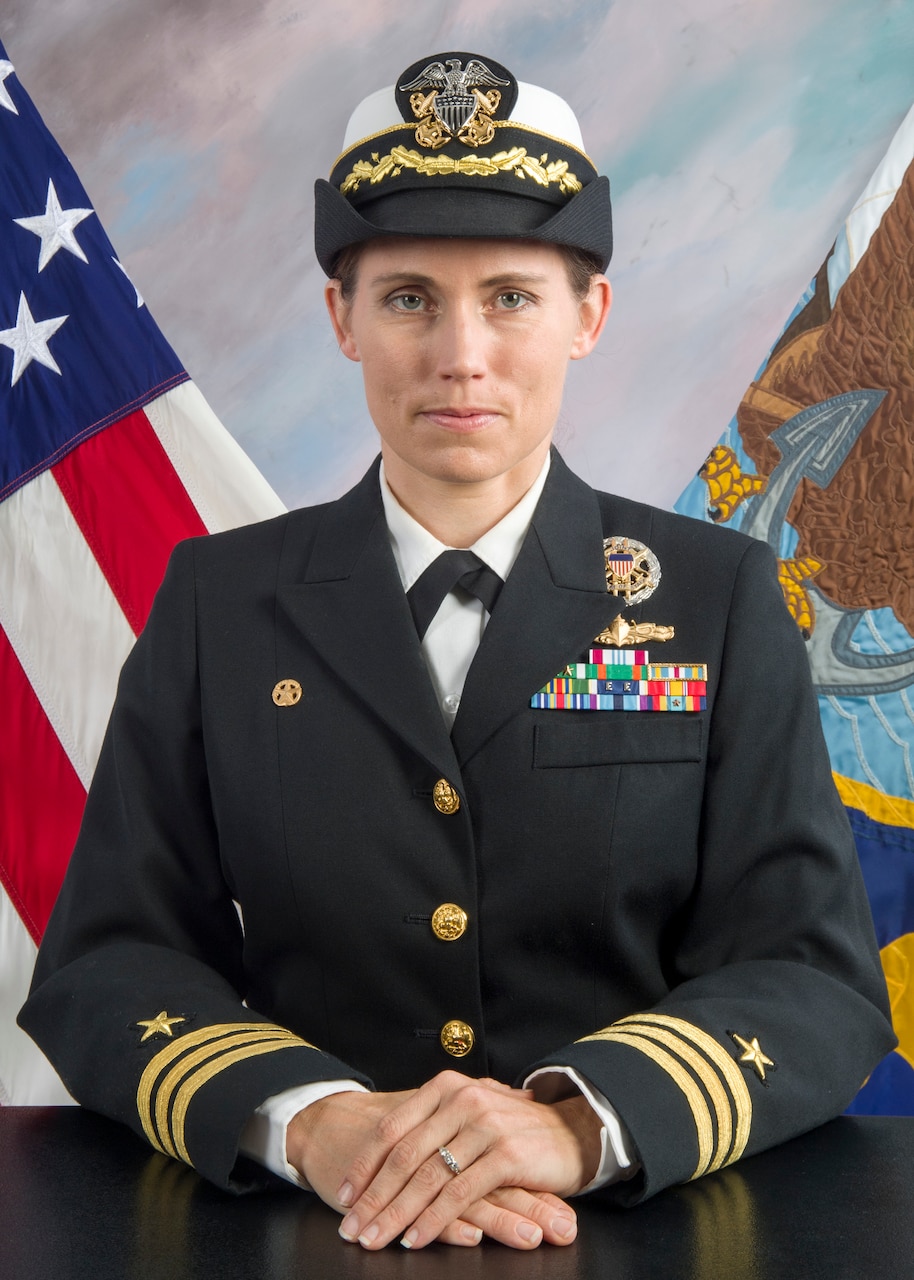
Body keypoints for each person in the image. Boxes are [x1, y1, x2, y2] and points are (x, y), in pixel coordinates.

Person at [20, 49, 895, 1253]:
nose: (460, 352)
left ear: (589, 313)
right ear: (342, 319)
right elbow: (109, 958)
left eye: (511, 297)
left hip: (627, 1229)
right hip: (304, 1227)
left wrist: (576, 1122)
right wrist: (312, 1119)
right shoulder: (220, 602)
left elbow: (810, 975)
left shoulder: (716, 600)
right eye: (408, 297)